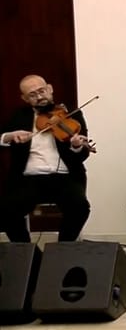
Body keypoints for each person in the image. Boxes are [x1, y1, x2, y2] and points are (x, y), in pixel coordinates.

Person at [0, 74, 91, 243]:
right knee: (6, 211)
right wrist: (10, 136)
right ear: (25, 98)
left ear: (50, 89)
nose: (39, 97)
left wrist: (76, 146)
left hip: (65, 177)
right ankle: (29, 254)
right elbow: (1, 137)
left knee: (80, 208)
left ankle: (61, 249)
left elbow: (83, 155)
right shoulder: (18, 116)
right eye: (32, 95)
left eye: (41, 91)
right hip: (28, 179)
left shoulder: (71, 114)